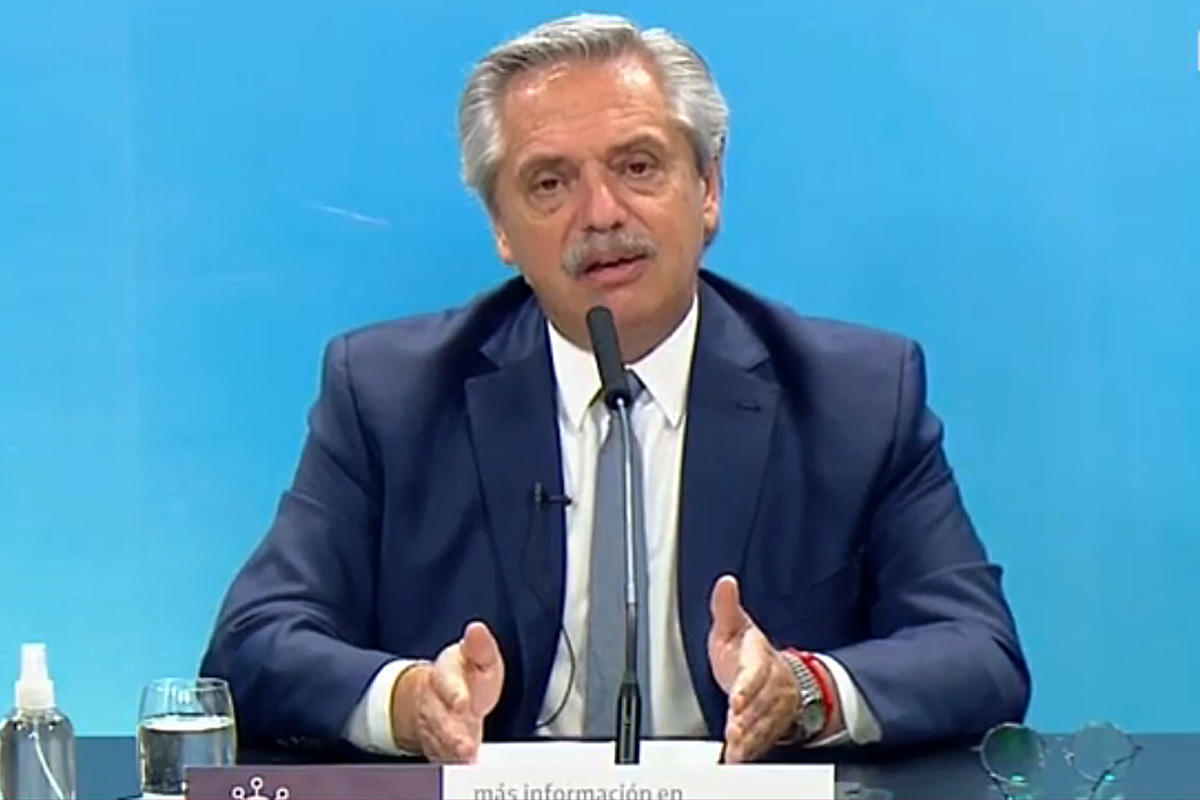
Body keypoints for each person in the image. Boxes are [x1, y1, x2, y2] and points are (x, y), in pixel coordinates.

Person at [200, 12, 1030, 765]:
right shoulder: (390, 395)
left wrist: (804, 690)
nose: (601, 213)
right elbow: (253, 644)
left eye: (638, 166)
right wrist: (409, 701)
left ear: (708, 189)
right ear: (500, 227)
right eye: (549, 183)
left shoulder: (857, 396)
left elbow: (977, 651)